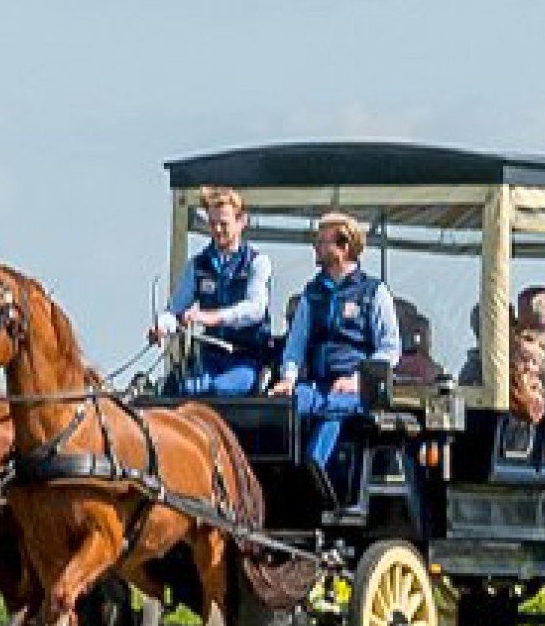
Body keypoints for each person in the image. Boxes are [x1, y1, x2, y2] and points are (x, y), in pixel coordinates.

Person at [270, 212, 402, 500]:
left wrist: (358, 380)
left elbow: (390, 349)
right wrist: (288, 379)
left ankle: (317, 469)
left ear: (343, 247)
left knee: (334, 408)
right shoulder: (313, 292)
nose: (315, 247)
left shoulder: (374, 292)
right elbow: (296, 342)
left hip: (356, 390)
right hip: (317, 384)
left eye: (322, 241)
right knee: (283, 408)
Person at [149, 186, 271, 396]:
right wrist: (162, 326)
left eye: (223, 224)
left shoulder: (257, 263)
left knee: (219, 389)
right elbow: (175, 309)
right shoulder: (198, 265)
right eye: (212, 224)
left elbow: (256, 309)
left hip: (246, 358)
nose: (217, 230)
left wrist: (212, 317)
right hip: (209, 358)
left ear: (242, 221)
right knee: (183, 390)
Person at [510, 332, 545, 423]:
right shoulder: (508, 385)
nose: (529, 366)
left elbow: (535, 414)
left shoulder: (538, 386)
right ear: (512, 359)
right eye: (524, 359)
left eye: (534, 362)